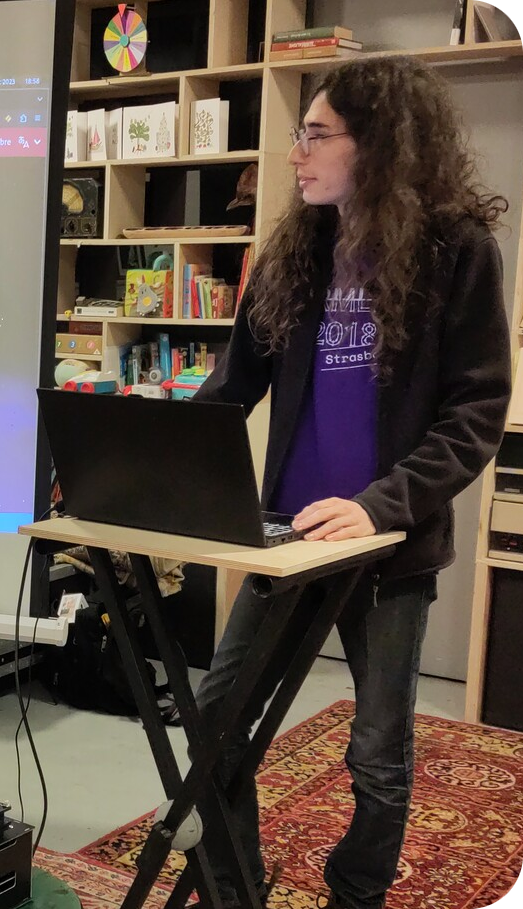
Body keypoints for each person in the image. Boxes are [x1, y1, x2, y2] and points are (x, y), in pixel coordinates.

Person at [190, 55, 512, 909]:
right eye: (299, 134)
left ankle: (356, 892)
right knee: (216, 727)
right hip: (284, 539)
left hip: (388, 545)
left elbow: (475, 412)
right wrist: (153, 454)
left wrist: (379, 506)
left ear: (379, 144)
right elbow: (231, 388)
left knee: (377, 751)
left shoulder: (458, 252)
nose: (296, 153)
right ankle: (236, 886)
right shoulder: (293, 250)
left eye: (315, 134)